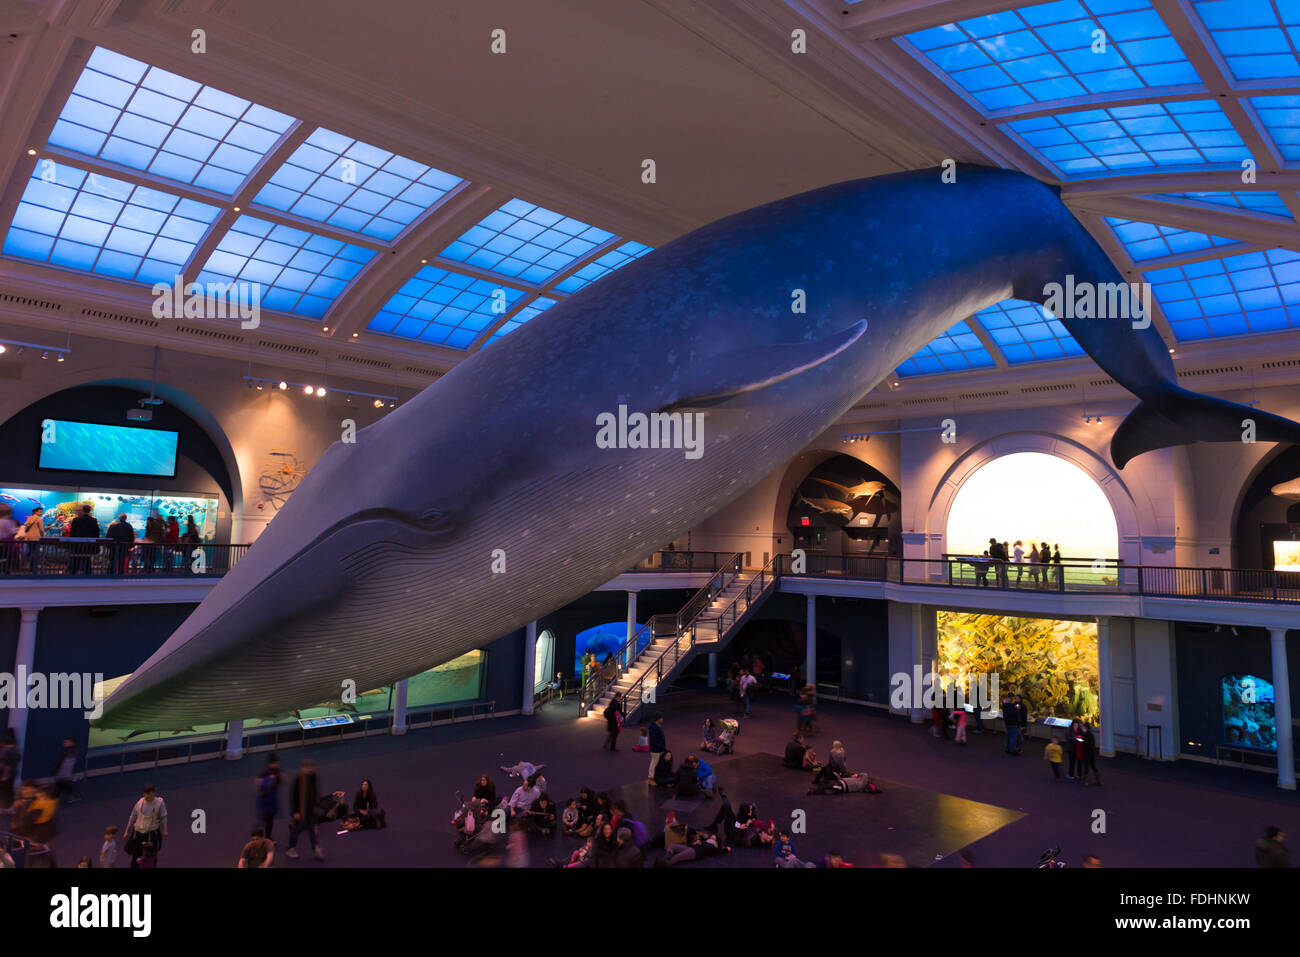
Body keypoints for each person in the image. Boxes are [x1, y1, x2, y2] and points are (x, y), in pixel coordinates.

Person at [286, 759, 324, 861]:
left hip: (310, 811)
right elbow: (293, 797)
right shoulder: (298, 780)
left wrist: (316, 805)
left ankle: (315, 849)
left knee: (312, 830)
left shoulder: (313, 777)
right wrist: (295, 812)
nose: (310, 769)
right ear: (303, 768)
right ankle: (290, 849)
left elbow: (315, 792)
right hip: (300, 811)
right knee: (296, 831)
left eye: (311, 767)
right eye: (307, 767)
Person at [125, 783, 167, 868]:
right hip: (139, 833)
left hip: (152, 833)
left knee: (151, 857)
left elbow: (164, 817)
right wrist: (127, 830)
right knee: (135, 856)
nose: (148, 796)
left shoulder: (159, 803)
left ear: (154, 793)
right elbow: (133, 816)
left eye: (150, 794)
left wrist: (165, 830)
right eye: (146, 794)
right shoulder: (139, 803)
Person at [66, 504, 100, 574]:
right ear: (89, 511)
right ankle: (87, 573)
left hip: (77, 543)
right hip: (88, 544)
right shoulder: (93, 520)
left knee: (76, 559)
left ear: (82, 510)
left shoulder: (76, 520)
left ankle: (73, 572)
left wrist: (71, 543)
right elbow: (96, 532)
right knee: (87, 559)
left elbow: (72, 533)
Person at [256, 757, 282, 839]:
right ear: (270, 763)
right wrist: (268, 781)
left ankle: (267, 837)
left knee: (269, 819)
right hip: (266, 800)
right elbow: (258, 783)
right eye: (275, 763)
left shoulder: (277, 771)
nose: (277, 764)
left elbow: (281, 781)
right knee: (266, 820)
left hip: (273, 799)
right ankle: (260, 836)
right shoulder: (265, 772)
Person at [51, 737, 80, 802]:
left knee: (61, 785)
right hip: (64, 773)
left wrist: (56, 770)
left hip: (64, 772)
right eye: (65, 742)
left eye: (67, 742)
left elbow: (63, 763)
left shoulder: (67, 752)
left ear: (72, 743)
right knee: (63, 784)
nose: (65, 743)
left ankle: (54, 798)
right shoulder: (70, 751)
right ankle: (55, 798)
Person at [0, 728, 20, 810]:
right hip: (13, 773)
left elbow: (7, 766)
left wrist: (5, 776)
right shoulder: (15, 749)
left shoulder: (8, 751)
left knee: (5, 791)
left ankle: (5, 805)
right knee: (9, 789)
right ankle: (8, 805)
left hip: (6, 775)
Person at [1080, 721, 1102, 785]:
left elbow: (1087, 744)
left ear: (1086, 728)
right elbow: (1092, 745)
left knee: (1086, 766)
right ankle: (1098, 780)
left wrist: (1081, 742)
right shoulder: (1091, 735)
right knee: (1093, 766)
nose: (1082, 729)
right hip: (1092, 753)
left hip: (1087, 753)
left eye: (1083, 727)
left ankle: (1085, 781)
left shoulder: (1085, 735)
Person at [647, 714, 667, 780]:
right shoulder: (654, 727)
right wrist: (660, 746)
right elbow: (654, 739)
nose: (662, 719)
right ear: (658, 719)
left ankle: (655, 776)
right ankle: (650, 777)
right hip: (656, 749)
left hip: (658, 748)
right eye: (661, 718)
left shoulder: (657, 726)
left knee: (656, 763)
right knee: (654, 763)